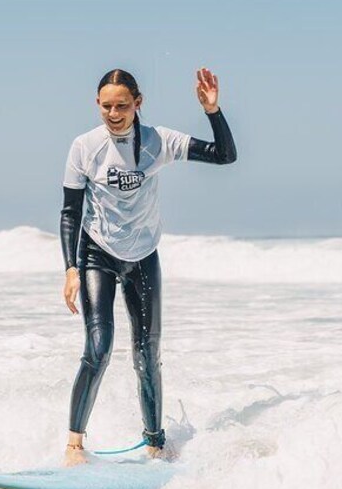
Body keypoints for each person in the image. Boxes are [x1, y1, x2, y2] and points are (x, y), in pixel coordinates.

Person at [60, 68, 237, 466]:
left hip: (142, 255)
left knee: (146, 353)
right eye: (106, 106)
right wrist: (71, 268)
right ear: (97, 104)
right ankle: (74, 446)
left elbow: (225, 155)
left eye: (122, 105)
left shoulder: (160, 141)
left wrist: (213, 111)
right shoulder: (85, 147)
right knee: (98, 348)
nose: (114, 113)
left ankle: (155, 443)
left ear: (138, 103)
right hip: (97, 255)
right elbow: (71, 212)